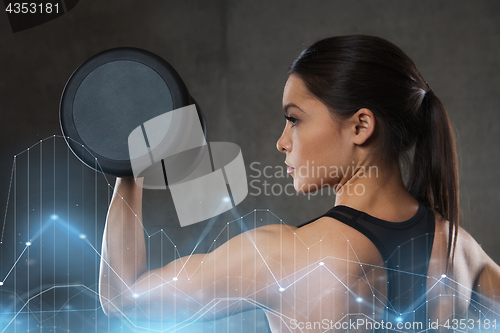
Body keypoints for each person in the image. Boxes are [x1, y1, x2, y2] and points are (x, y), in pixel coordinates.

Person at [99, 35, 500, 332]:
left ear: (361, 126)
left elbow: (121, 298)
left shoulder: (286, 258)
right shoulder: (463, 252)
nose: (282, 140)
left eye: (295, 119)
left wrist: (130, 167)